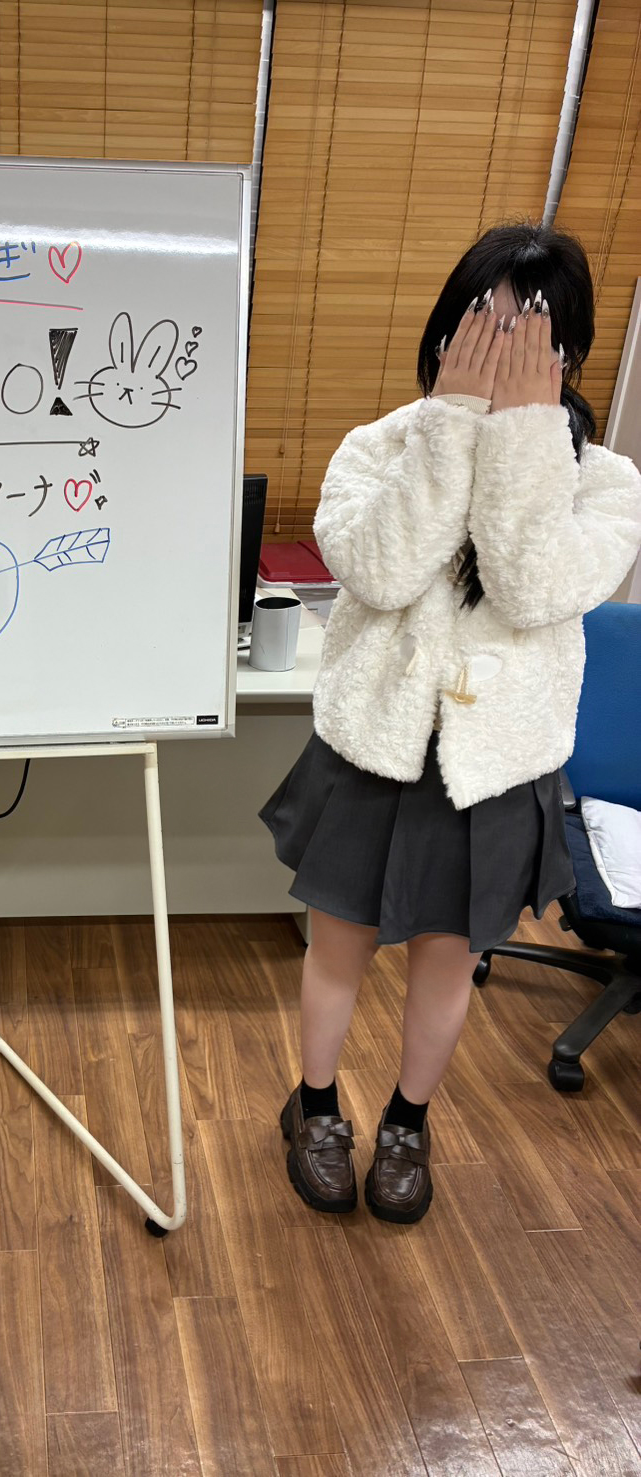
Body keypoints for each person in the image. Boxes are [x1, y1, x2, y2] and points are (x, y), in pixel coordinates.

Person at [261, 223, 641, 1224]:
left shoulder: (605, 485)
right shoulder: (377, 448)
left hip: (495, 770)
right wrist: (452, 427)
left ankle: (407, 1122)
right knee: (336, 951)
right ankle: (313, 1107)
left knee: (447, 962)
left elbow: (528, 586)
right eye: (480, 324)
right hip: (372, 750)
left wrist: (518, 437)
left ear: (566, 355)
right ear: (443, 330)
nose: (496, 349)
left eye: (526, 334)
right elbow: (380, 571)